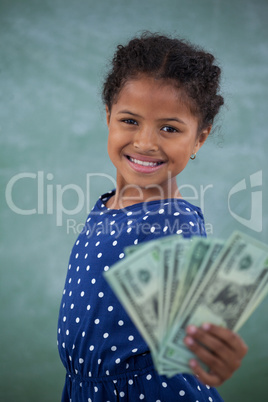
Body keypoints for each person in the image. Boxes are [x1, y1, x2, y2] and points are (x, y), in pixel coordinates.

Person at [57, 32, 248, 401]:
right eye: (130, 121)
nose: (145, 142)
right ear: (108, 116)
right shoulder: (107, 205)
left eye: (169, 128)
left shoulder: (177, 229)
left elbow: (203, 329)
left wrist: (214, 350)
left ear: (200, 138)